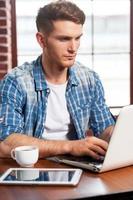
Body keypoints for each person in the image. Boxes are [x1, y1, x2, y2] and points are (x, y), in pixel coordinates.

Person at [0, 0, 115, 159]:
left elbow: (104, 129)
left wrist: (119, 135)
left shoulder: (90, 79)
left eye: (77, 38)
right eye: (64, 39)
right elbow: (5, 143)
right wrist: (70, 146)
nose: (73, 48)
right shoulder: (16, 82)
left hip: (78, 167)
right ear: (41, 40)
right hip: (34, 170)